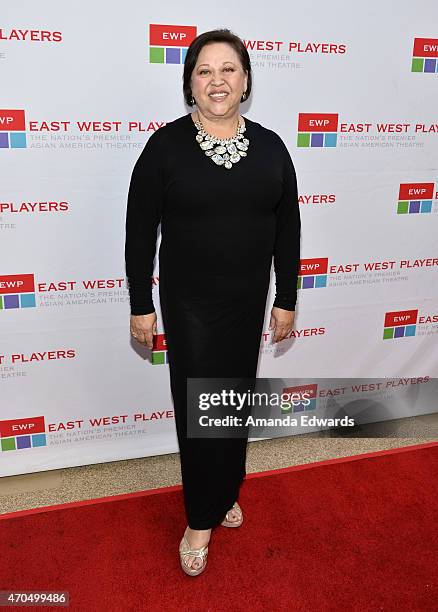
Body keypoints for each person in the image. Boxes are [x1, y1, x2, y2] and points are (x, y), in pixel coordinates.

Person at [124, 28, 301, 577]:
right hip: (191, 306)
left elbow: (287, 227)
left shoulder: (271, 146)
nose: (217, 80)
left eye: (228, 69)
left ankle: (224, 489)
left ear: (245, 80)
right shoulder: (166, 146)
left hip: (247, 303)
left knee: (233, 400)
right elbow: (139, 229)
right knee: (201, 405)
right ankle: (200, 517)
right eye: (204, 71)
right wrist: (140, 302)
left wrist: (287, 297)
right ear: (190, 84)